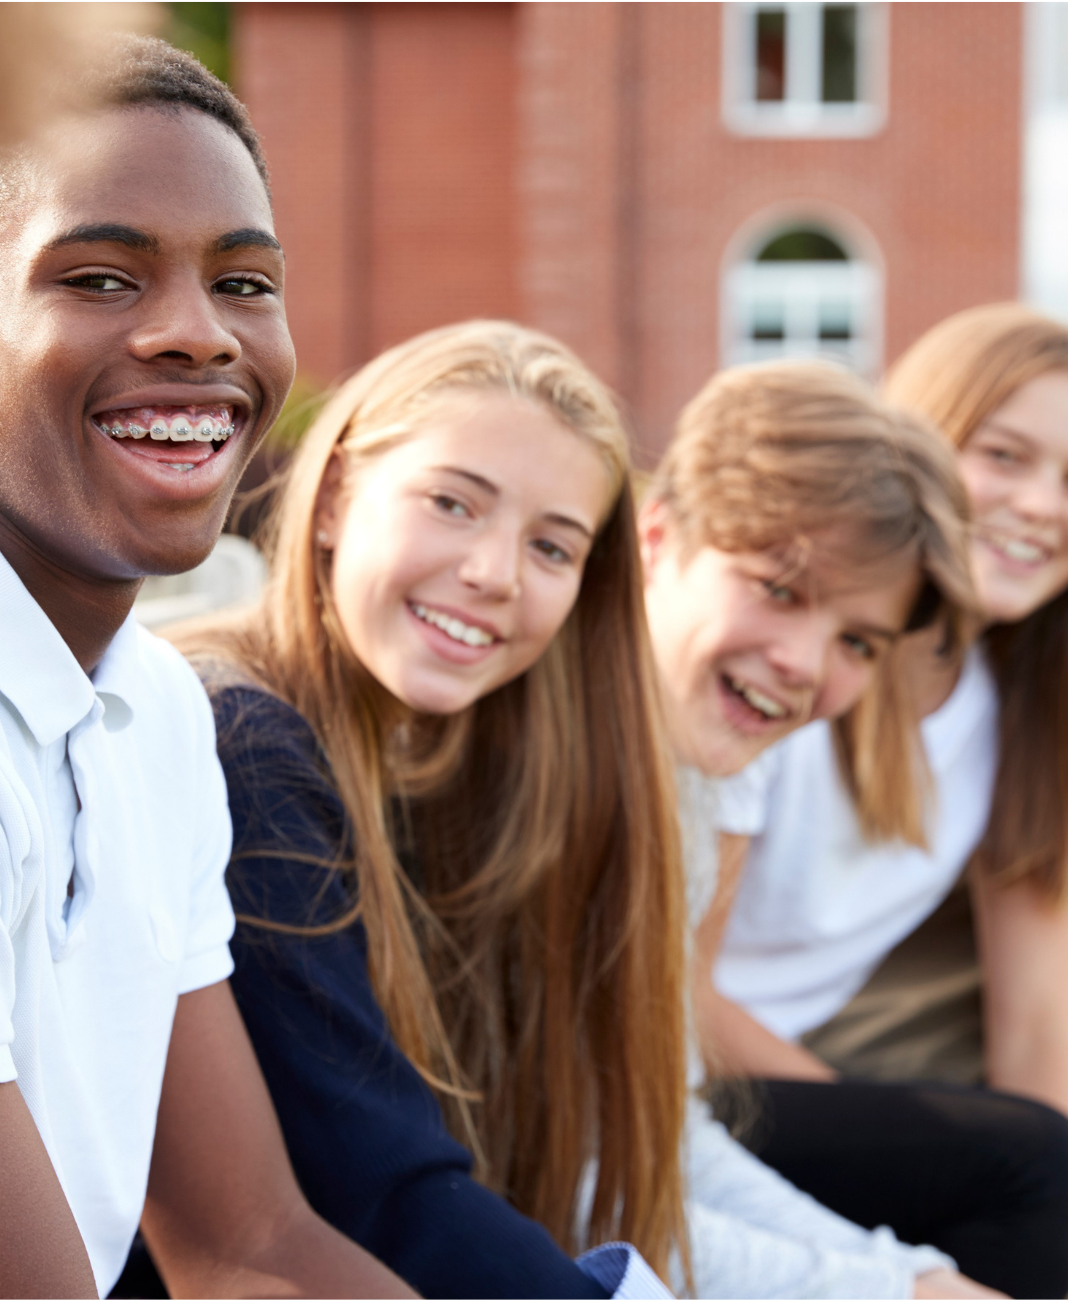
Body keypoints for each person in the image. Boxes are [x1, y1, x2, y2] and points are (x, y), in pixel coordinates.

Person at [0, 36, 413, 1300]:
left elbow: (247, 1246)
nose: (197, 335)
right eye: (103, 276)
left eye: (244, 282)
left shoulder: (160, 704)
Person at [173, 320, 687, 1299]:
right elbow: (378, 1194)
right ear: (330, 500)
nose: (496, 571)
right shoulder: (239, 744)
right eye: (453, 503)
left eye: (552, 545)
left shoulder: (431, 763)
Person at [699, 310, 1068, 1300]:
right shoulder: (789, 666)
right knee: (1027, 1167)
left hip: (798, 1093)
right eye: (1005, 455)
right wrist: (894, 1144)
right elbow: (673, 984)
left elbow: (1040, 1022)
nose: (1041, 504)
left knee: (1045, 1170)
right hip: (689, 1064)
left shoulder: (1026, 712)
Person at [641, 361, 1001, 1300]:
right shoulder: (546, 773)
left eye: (858, 643)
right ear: (656, 536)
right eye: (780, 588)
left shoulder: (692, 781)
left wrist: (914, 1280)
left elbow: (662, 1146)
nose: (803, 664)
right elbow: (573, 1198)